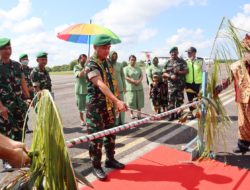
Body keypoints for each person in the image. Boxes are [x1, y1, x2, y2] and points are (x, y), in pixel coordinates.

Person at [85, 34, 128, 181]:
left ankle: (110, 159)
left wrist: (117, 101)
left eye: (109, 47)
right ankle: (96, 166)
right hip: (95, 107)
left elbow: (112, 83)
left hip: (109, 105)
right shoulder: (91, 64)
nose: (107, 50)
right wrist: (117, 101)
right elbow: (100, 84)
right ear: (95, 47)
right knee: (96, 138)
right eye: (104, 48)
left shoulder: (107, 63)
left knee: (111, 134)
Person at [214, 34, 250, 154]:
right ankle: (243, 146)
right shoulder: (236, 65)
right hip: (242, 100)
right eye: (244, 51)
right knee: (243, 123)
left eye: (248, 51)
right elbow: (229, 79)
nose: (246, 54)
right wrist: (220, 87)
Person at [0, 38, 30, 169]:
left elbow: (23, 82)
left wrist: (28, 98)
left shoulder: (17, 65)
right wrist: (1, 107)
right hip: (5, 105)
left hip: (19, 104)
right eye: (5, 48)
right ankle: (7, 160)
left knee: (20, 130)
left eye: (9, 48)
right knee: (6, 132)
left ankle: (21, 155)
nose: (8, 50)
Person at [163, 47, 188, 121]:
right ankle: (171, 115)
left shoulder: (182, 62)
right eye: (172, 53)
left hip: (180, 85)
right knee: (171, 100)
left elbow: (186, 71)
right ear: (170, 54)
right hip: (171, 85)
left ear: (177, 53)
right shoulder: (167, 62)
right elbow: (164, 73)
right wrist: (170, 76)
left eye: (175, 53)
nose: (173, 54)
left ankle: (178, 114)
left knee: (179, 100)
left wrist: (178, 72)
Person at [185, 47, 203, 119]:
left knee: (199, 99)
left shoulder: (200, 61)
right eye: (187, 53)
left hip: (198, 84)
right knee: (190, 100)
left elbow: (205, 72)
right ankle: (192, 113)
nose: (188, 54)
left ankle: (199, 113)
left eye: (189, 52)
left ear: (194, 53)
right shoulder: (186, 61)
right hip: (188, 84)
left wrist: (204, 84)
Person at [124, 55, 144, 119]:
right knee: (131, 101)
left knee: (139, 101)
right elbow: (125, 76)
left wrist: (139, 80)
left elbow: (141, 75)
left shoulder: (138, 68)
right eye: (131, 60)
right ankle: (131, 114)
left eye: (134, 60)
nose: (133, 61)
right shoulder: (126, 68)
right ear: (129, 60)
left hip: (139, 87)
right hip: (131, 87)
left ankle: (139, 114)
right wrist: (132, 80)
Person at [109, 51, 126, 125]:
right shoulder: (107, 64)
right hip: (111, 87)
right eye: (113, 56)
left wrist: (124, 86)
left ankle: (121, 121)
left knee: (121, 103)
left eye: (115, 56)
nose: (114, 57)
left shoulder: (120, 64)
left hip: (120, 86)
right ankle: (115, 122)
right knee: (114, 105)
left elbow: (122, 75)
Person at [19, 53, 34, 133]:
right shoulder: (18, 69)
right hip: (24, 94)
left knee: (37, 108)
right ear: (20, 61)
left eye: (27, 59)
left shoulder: (30, 69)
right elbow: (19, 83)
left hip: (32, 93)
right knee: (25, 110)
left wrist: (33, 87)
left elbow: (33, 80)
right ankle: (26, 127)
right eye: (24, 59)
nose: (26, 60)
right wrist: (27, 89)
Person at [73, 54, 88, 127]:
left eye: (85, 59)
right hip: (80, 89)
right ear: (79, 59)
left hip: (87, 88)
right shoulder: (76, 67)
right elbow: (80, 75)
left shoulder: (87, 66)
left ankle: (88, 120)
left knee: (88, 106)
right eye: (83, 59)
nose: (84, 60)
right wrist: (85, 68)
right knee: (81, 106)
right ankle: (82, 120)